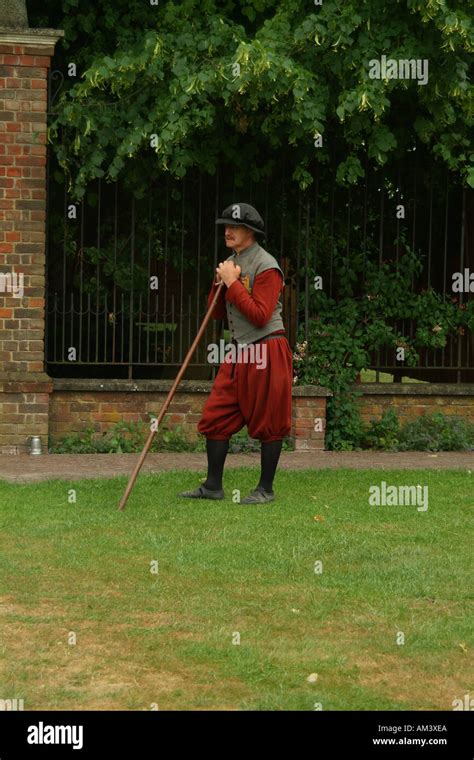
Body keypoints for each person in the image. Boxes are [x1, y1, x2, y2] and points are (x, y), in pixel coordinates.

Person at [179, 203, 293, 504]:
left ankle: (265, 489)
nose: (227, 231)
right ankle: (213, 486)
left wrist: (232, 283)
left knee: (269, 420)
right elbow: (216, 314)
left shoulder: (267, 266)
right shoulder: (231, 262)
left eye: (234, 226)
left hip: (267, 347)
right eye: (225, 226)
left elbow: (260, 315)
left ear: (250, 232)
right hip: (239, 351)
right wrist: (219, 284)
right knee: (216, 415)